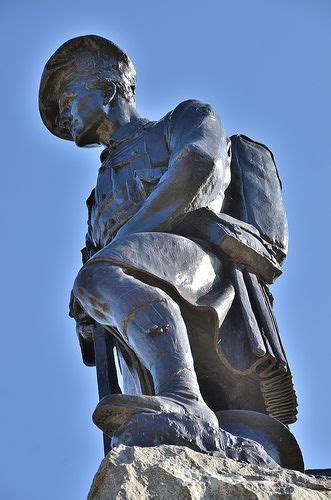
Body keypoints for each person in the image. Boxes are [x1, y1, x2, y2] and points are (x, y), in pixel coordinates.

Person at [39, 35, 299, 465]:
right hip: (141, 312)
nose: (64, 114)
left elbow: (198, 166)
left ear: (107, 90)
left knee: (98, 275)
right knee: (96, 280)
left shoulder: (184, 119)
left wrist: (111, 257)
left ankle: (184, 401)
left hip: (200, 270)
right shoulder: (97, 195)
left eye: (69, 95)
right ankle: (182, 408)